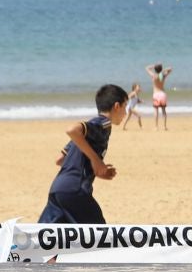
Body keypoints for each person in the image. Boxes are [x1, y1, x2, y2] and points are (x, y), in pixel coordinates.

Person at [38, 85, 127, 224]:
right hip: (75, 190)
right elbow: (72, 130)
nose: (126, 113)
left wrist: (96, 170)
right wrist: (96, 161)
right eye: (125, 107)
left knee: (40, 241)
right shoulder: (102, 123)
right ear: (117, 106)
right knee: (100, 238)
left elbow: (60, 160)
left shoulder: (83, 137)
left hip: (58, 190)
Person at [147, 63, 171, 129]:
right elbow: (170, 69)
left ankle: (156, 126)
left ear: (155, 69)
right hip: (162, 94)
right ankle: (164, 126)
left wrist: (153, 66)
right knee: (163, 110)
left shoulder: (154, 76)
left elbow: (147, 68)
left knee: (156, 111)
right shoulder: (163, 76)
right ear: (161, 69)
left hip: (156, 94)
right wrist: (162, 71)